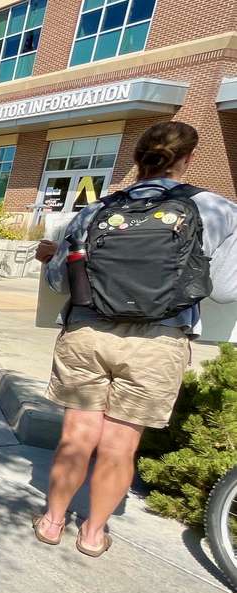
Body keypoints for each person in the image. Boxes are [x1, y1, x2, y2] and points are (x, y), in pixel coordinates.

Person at [33, 121, 236, 557]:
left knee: (77, 435)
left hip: (88, 332)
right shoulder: (216, 210)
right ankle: (92, 534)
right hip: (159, 340)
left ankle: (51, 522)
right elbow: (224, 289)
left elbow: (59, 281)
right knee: (120, 444)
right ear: (188, 159)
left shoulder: (95, 210)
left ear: (136, 159)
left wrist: (51, 258)